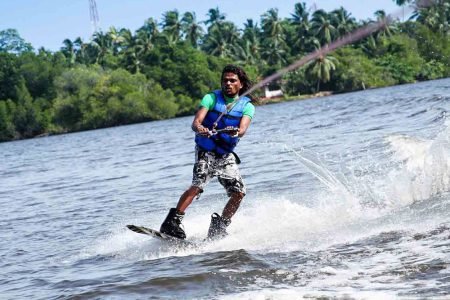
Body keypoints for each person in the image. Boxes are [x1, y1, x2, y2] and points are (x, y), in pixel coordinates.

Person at [160, 65, 255, 240]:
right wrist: (200, 128)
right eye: (225, 80)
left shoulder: (247, 106)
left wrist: (235, 131)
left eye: (232, 80)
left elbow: (242, 130)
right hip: (206, 150)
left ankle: (220, 226)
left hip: (225, 155)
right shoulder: (211, 98)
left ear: (240, 84)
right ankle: (172, 222)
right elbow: (196, 122)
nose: (228, 83)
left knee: (239, 192)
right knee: (198, 184)